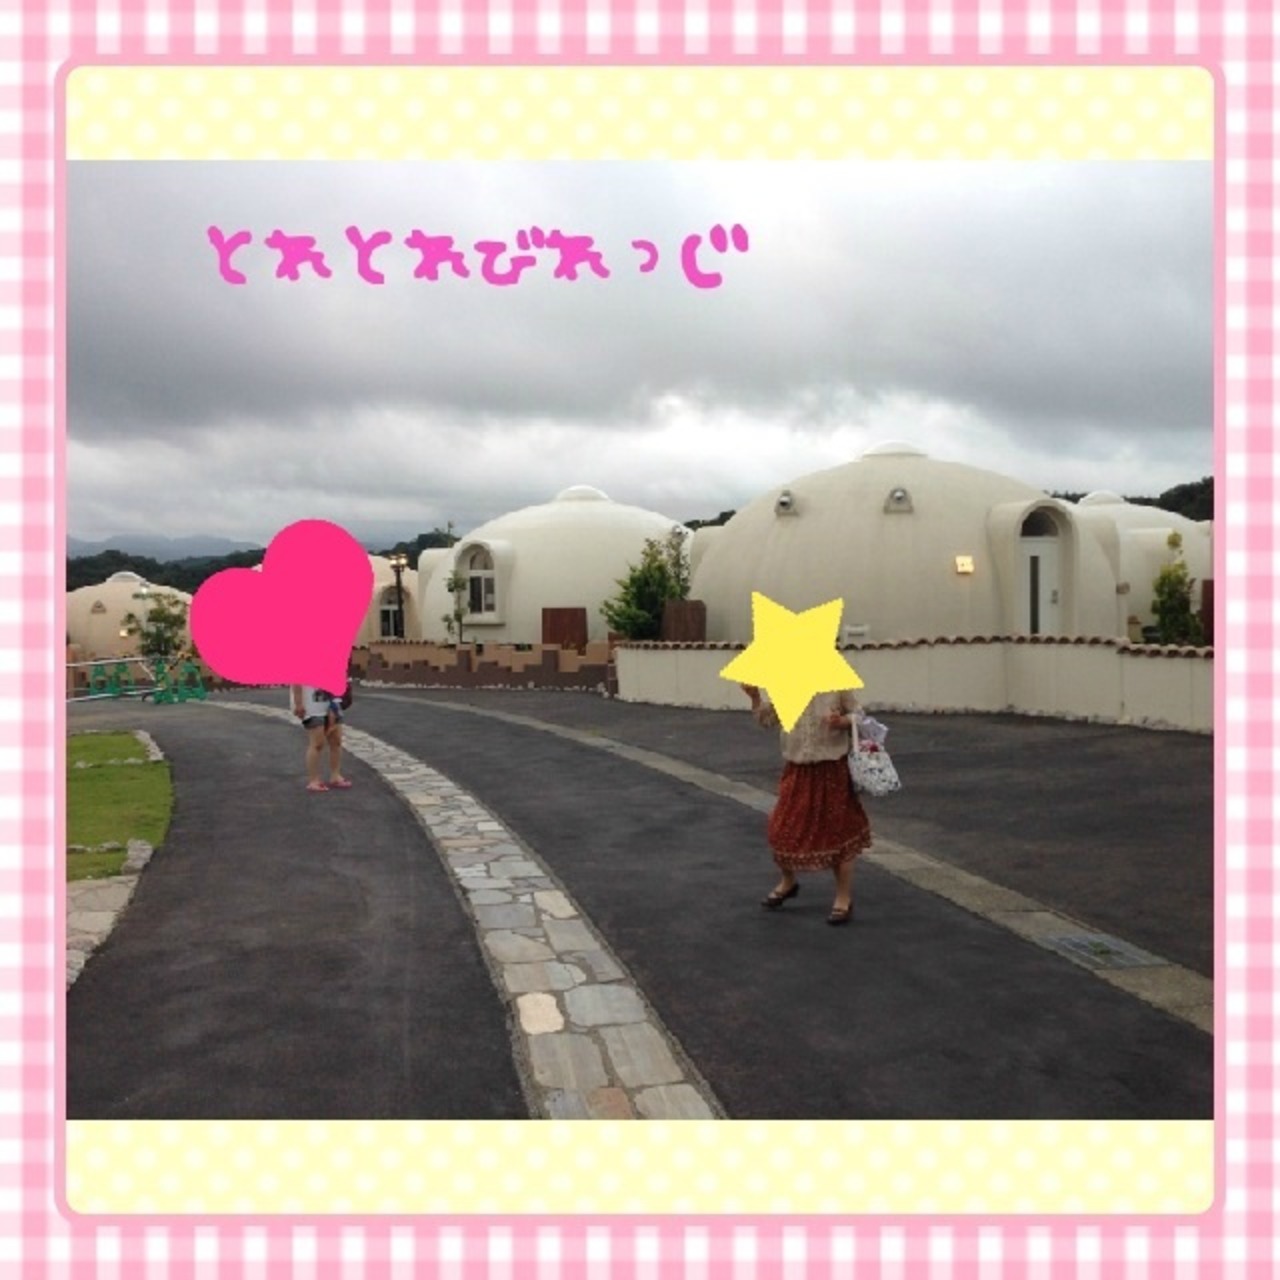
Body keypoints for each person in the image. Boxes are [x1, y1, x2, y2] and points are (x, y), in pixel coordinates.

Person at [741, 683, 872, 925]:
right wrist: (755, 697)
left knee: (838, 833)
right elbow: (767, 720)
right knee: (780, 828)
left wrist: (842, 721)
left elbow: (859, 716)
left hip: (832, 769)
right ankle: (788, 881)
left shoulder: (837, 684)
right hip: (797, 770)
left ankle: (843, 897)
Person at [291, 683, 351, 793]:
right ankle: (313, 780)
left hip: (332, 704)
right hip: (311, 707)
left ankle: (335, 775)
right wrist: (298, 704)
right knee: (317, 744)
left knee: (336, 741)